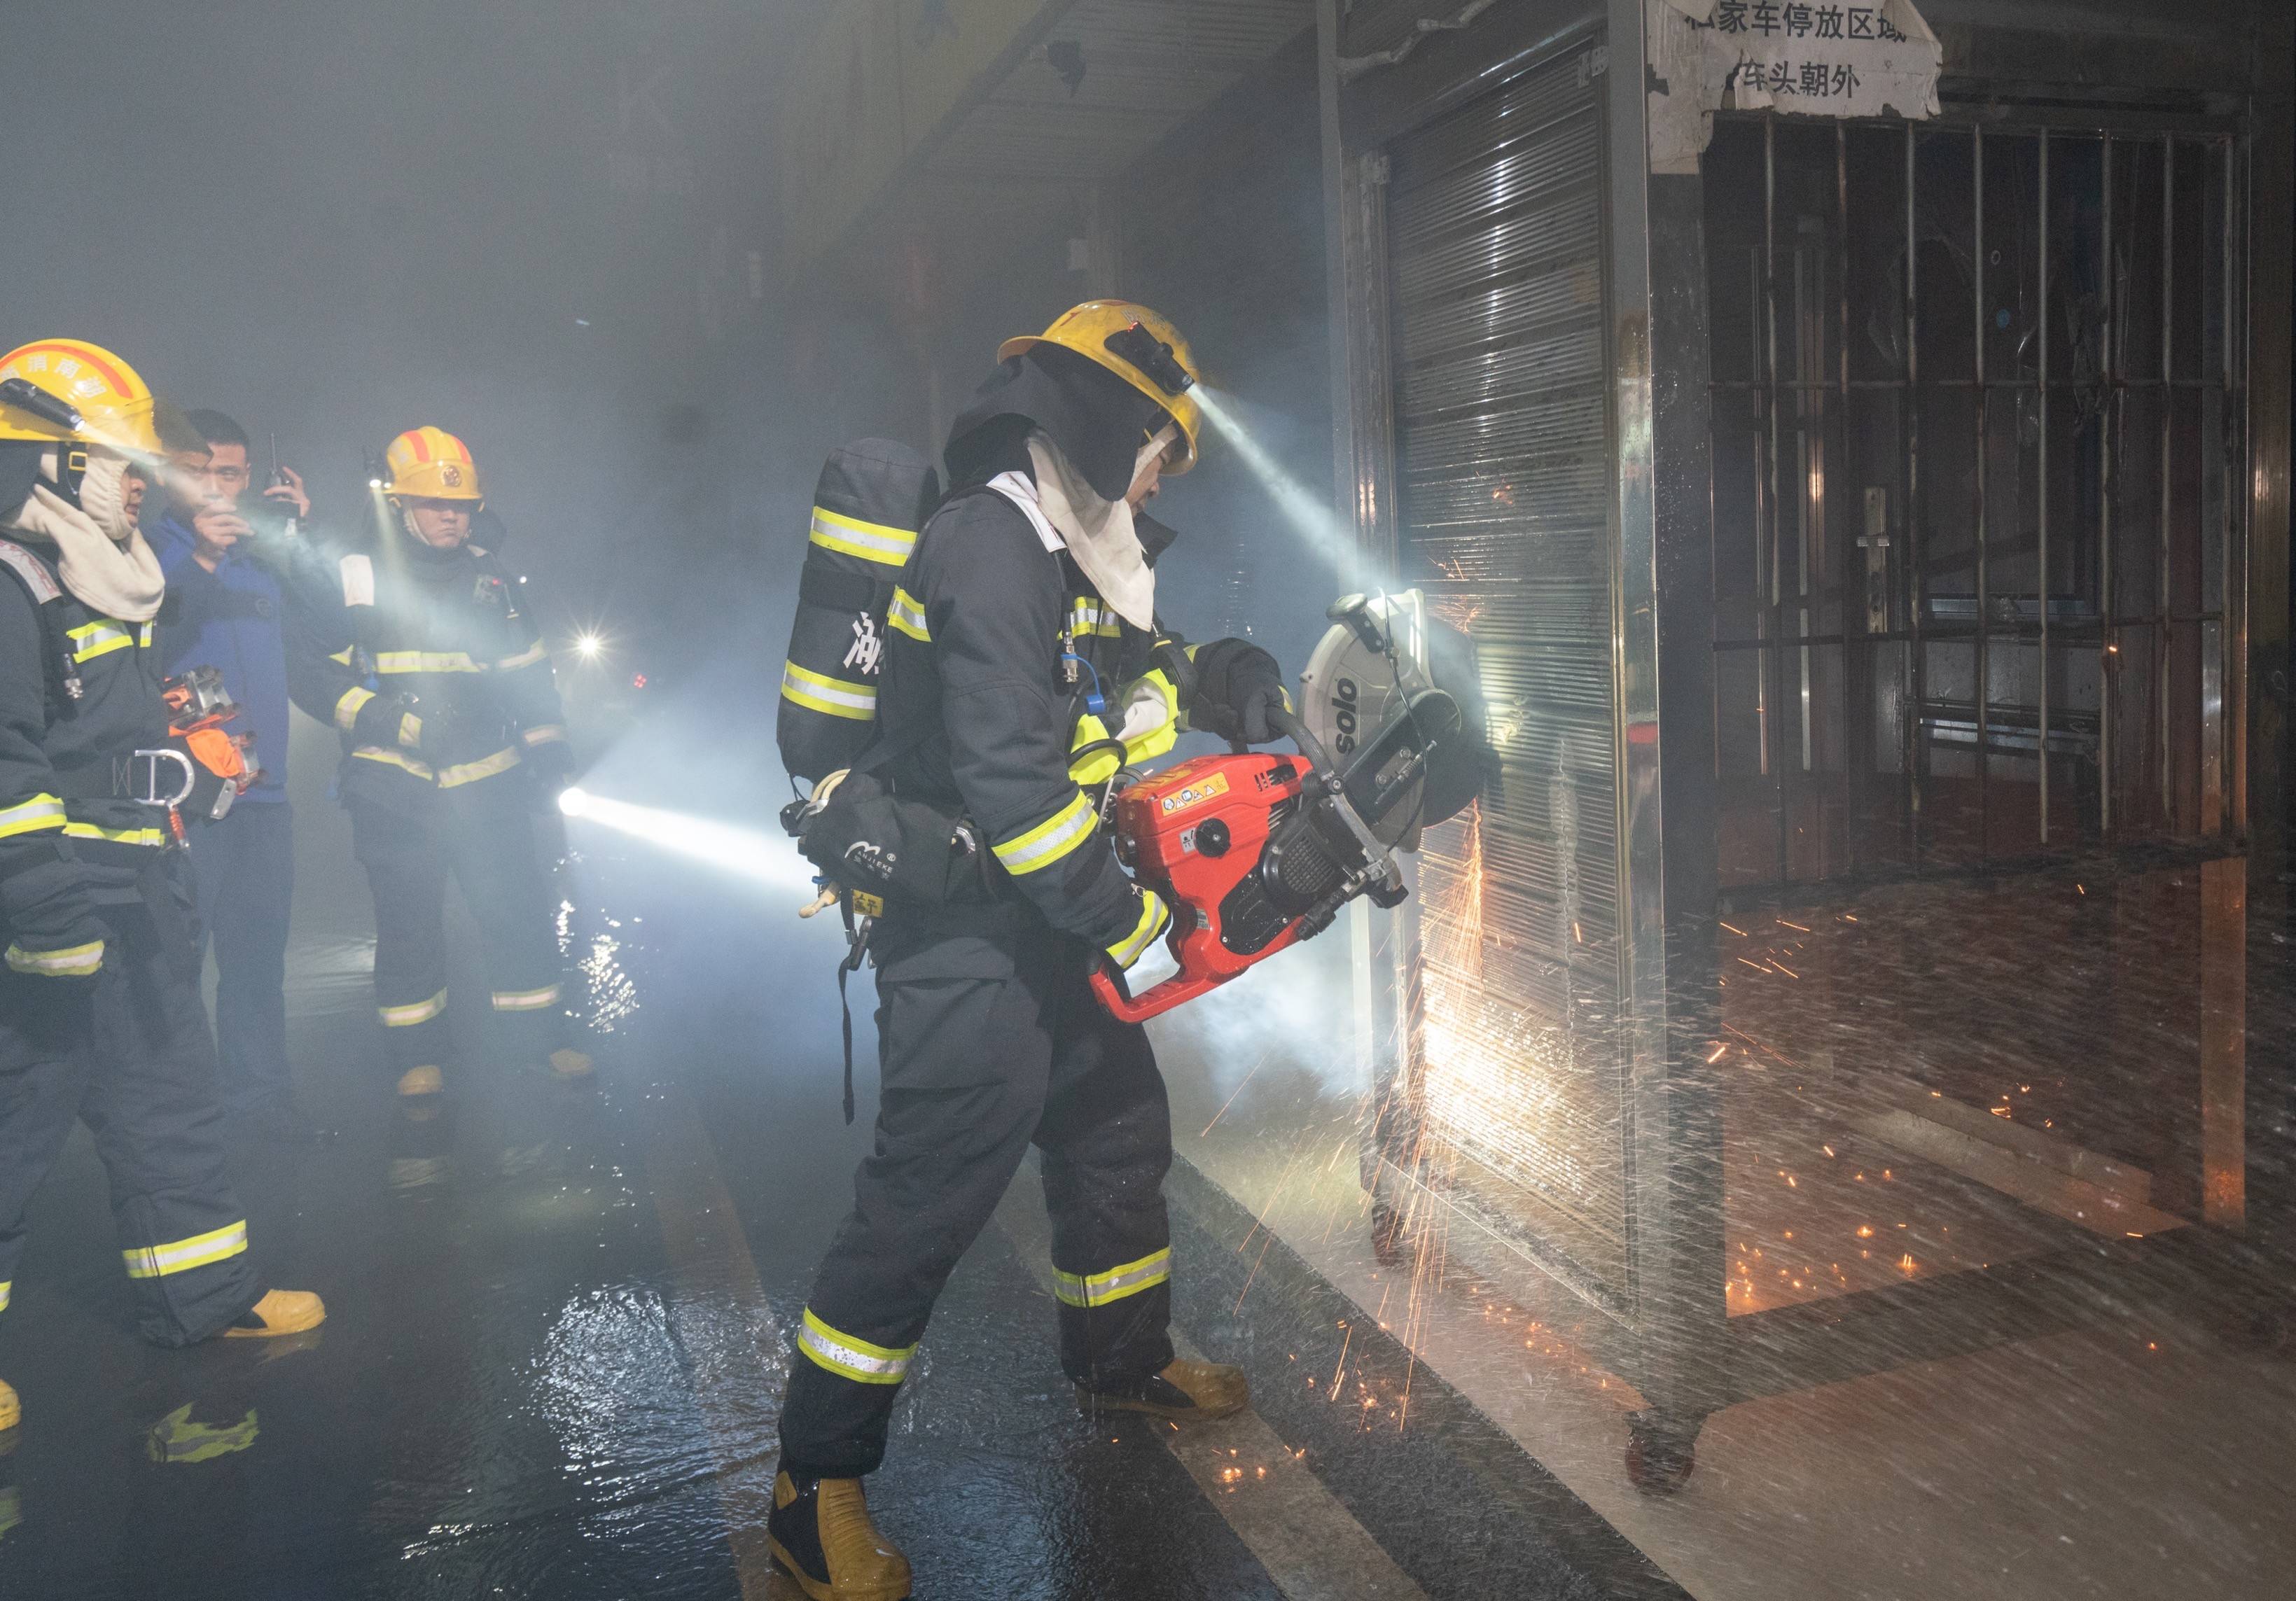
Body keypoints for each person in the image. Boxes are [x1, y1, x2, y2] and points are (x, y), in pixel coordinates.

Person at [767, 302, 1292, 1601]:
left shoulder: (1070, 543)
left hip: (1045, 917)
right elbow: (1012, 786)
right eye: (1160, 443)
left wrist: (1235, 678)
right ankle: (807, 1485)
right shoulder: (990, 544)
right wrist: (1134, 925)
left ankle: (1121, 1361)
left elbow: (1136, 676)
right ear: (1104, 420)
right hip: (965, 933)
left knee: (1113, 1128)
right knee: (925, 1199)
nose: (1164, 471)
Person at [0, 339, 326, 1438]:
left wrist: (184, 761)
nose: (145, 481)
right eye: (126, 461)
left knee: (168, 1097)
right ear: (61, 457)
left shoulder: (108, 565)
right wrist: (43, 912)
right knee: (14, 1118)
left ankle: (201, 1295)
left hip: (139, 881)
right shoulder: (15, 578)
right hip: (55, 902)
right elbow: (7, 764)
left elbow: (109, 726)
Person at [294, 426, 590, 1102]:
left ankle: (539, 1043)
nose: (450, 516)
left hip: (489, 782)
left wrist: (548, 749)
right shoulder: (353, 575)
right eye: (433, 504)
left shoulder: (492, 580)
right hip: (394, 788)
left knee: (517, 913)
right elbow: (312, 676)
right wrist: (389, 721)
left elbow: (529, 672)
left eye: (459, 506)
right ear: (399, 506)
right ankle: (417, 1059)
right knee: (408, 928)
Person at [148, 408, 332, 1131]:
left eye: (228, 473)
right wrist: (198, 558)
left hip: (264, 796)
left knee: (257, 963)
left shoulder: (261, 560)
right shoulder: (142, 548)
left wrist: (302, 541)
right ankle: (178, 1115)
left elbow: (336, 629)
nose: (215, 488)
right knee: (176, 967)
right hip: (187, 804)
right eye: (198, 473)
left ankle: (261, 1104)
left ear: (249, 478)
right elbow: (146, 633)